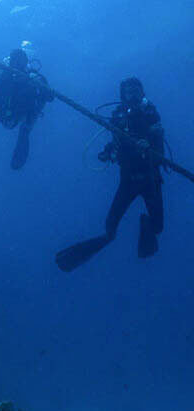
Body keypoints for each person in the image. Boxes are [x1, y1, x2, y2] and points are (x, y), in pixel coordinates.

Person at [56, 77, 165, 272]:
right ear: (122, 95)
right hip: (128, 180)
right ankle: (85, 251)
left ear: (142, 93)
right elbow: (117, 143)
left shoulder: (151, 114)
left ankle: (145, 223)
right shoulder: (118, 117)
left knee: (157, 227)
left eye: (135, 90)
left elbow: (160, 153)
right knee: (109, 230)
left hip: (151, 178)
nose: (132, 93)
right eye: (128, 91)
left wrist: (150, 144)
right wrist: (108, 152)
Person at [0, 48, 54, 169]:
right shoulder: (4, 77)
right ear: (11, 62)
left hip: (29, 111)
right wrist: (3, 117)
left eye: (21, 62)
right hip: (10, 112)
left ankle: (24, 129)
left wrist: (40, 84)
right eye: (15, 62)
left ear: (25, 63)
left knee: (24, 132)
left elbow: (50, 97)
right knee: (19, 128)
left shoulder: (34, 76)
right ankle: (17, 125)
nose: (18, 65)